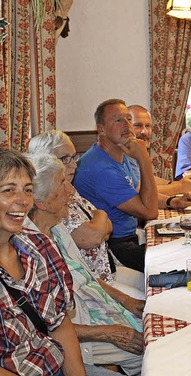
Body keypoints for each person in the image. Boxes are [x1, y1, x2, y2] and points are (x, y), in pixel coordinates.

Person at [26, 153, 144, 375]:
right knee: (150, 353)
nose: (71, 191)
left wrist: (127, 301)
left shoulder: (57, 228)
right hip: (86, 332)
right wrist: (109, 332)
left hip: (104, 312)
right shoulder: (29, 252)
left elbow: (88, 276)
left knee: (160, 331)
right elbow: (47, 325)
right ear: (41, 202)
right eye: (62, 184)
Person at [0, 149, 86, 376]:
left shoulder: (37, 245)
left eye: (28, 190)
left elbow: (60, 325)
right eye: (9, 190)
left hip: (56, 365)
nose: (23, 200)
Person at [74, 98, 158, 273]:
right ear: (101, 129)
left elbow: (140, 194)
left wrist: (173, 201)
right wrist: (143, 158)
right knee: (175, 260)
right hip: (114, 247)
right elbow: (150, 211)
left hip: (130, 237)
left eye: (128, 119)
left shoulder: (117, 154)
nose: (127, 125)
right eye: (118, 120)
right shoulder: (101, 169)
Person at [29, 130, 115, 284]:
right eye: (65, 159)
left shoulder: (70, 190)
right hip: (87, 285)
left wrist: (99, 223)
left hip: (102, 278)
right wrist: (100, 215)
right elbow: (92, 237)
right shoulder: (49, 202)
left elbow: (108, 228)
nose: (74, 164)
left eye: (74, 157)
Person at [128, 105, 191, 210]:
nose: (144, 132)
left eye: (148, 126)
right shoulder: (119, 155)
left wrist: (176, 184)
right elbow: (139, 190)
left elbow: (145, 180)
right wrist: (179, 187)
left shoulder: (132, 152)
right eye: (137, 126)